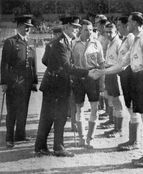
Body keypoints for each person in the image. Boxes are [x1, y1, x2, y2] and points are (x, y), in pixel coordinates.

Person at [94, 12, 143, 166]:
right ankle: (141, 148)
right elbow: (122, 63)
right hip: (136, 79)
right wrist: (103, 71)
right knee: (140, 115)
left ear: (135, 23)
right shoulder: (135, 39)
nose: (127, 24)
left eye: (129, 22)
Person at [34, 16, 96, 157]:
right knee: (59, 116)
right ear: (66, 27)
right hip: (56, 86)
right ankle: (58, 148)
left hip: (54, 83)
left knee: (48, 117)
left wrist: (55, 69)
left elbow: (46, 60)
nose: (77, 29)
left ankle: (41, 146)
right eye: (74, 27)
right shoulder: (61, 43)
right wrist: (87, 72)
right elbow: (67, 66)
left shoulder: (63, 42)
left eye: (77, 27)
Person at [1, 15, 38, 148]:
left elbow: (33, 64)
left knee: (23, 109)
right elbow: (4, 64)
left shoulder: (31, 42)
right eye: (25, 26)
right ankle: (9, 138)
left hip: (27, 82)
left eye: (29, 27)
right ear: (19, 27)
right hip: (13, 82)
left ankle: (20, 135)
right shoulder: (10, 42)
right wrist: (4, 82)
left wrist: (34, 81)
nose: (28, 29)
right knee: (12, 111)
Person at [71, 19, 104, 148]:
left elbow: (101, 63)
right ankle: (81, 137)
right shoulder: (74, 43)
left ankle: (90, 138)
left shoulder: (97, 44)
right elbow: (70, 63)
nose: (89, 32)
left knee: (94, 108)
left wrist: (102, 82)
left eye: (91, 30)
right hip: (79, 78)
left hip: (93, 78)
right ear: (80, 30)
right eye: (86, 30)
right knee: (79, 108)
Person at [103, 22, 124, 138]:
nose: (108, 34)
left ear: (116, 32)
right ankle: (114, 126)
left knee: (117, 101)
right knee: (111, 99)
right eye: (106, 32)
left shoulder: (118, 43)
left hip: (115, 74)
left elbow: (120, 63)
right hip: (108, 72)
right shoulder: (110, 42)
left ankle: (119, 129)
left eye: (110, 32)